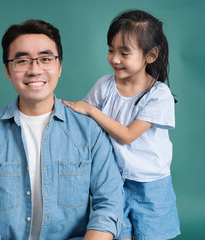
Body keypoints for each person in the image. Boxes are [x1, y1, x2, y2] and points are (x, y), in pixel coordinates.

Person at [0, 19, 125, 240]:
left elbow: (109, 204)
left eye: (45, 59)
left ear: (59, 67)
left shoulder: (89, 130)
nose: (34, 70)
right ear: (8, 71)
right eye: (22, 61)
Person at [62, 10, 180, 240]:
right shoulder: (105, 85)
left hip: (151, 185)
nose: (114, 58)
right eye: (111, 50)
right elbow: (81, 120)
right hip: (113, 182)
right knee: (117, 234)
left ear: (151, 55)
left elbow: (127, 135)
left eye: (124, 53)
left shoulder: (158, 94)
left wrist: (92, 111)